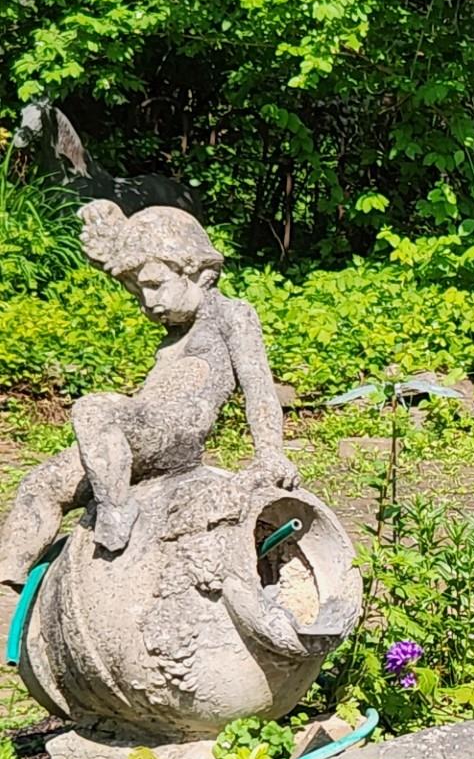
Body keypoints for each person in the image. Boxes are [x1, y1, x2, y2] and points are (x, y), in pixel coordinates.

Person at [0, 200, 297, 591]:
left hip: (175, 435)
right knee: (42, 482)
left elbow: (258, 387)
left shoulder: (231, 315)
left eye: (156, 286)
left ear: (197, 272)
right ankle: (11, 579)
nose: (148, 302)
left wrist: (270, 452)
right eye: (139, 291)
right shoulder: (173, 339)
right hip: (137, 437)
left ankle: (116, 513)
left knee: (93, 409)